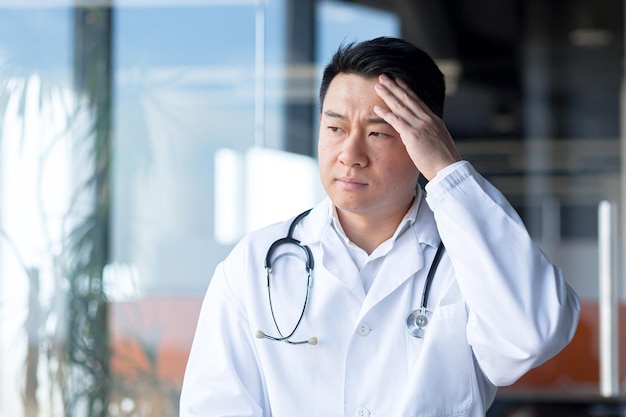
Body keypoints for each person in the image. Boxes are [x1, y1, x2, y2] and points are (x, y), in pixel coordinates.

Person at [180, 36, 580, 417]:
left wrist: (447, 170)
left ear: (423, 139)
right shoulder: (253, 264)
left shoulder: (470, 257)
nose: (350, 155)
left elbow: (533, 335)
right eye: (335, 129)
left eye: (378, 133)